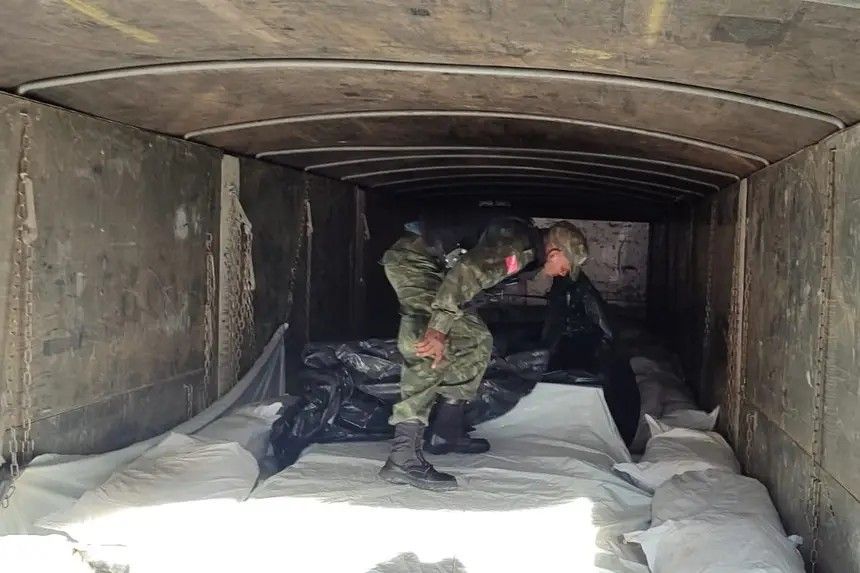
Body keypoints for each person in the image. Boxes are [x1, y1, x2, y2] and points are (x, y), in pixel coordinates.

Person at [379, 213, 589, 491]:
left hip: (434, 268)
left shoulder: (524, 248)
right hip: (416, 262)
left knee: (475, 340)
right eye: (566, 266)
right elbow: (467, 271)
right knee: (427, 344)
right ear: (555, 252)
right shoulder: (519, 248)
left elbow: (469, 278)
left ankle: (445, 432)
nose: (564, 273)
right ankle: (403, 457)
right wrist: (439, 329)